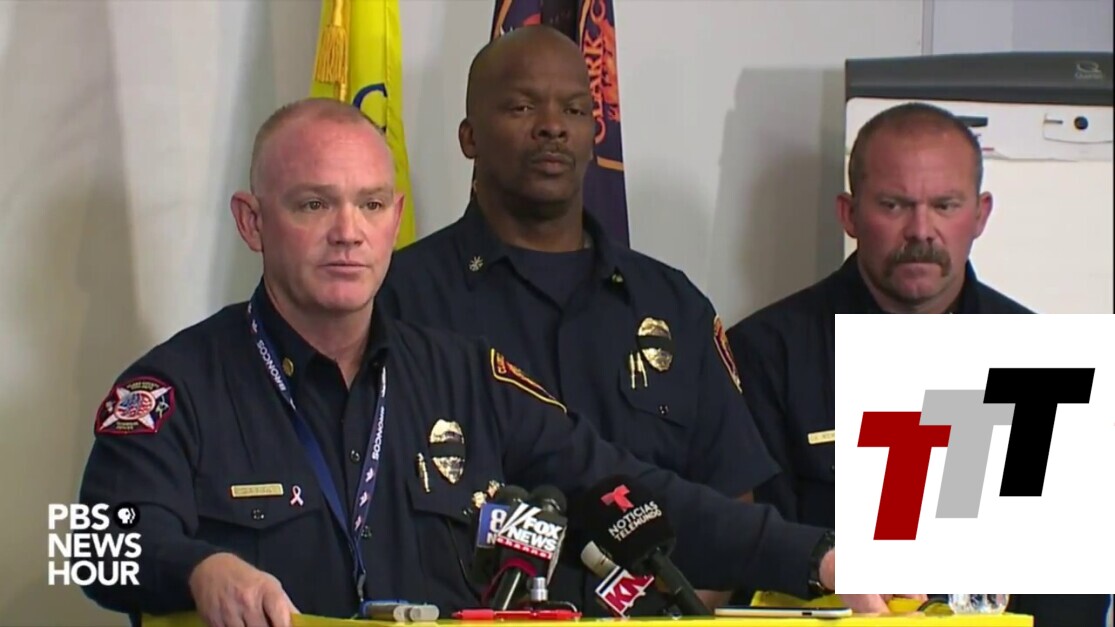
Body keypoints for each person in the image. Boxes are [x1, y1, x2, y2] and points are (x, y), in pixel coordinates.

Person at [77, 97, 854, 627]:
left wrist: (815, 555)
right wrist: (199, 566)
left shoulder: (467, 377)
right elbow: (84, 547)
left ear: (395, 220)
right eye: (313, 204)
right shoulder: (174, 386)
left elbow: (628, 493)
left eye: (370, 204)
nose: (347, 230)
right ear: (253, 222)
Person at [376, 24, 776, 615]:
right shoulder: (396, 300)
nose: (552, 126)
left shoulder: (673, 304)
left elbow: (729, 505)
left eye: (574, 109)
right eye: (521, 107)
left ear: (595, 132)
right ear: (469, 137)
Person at [726, 101, 1110, 626]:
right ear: (849, 214)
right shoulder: (765, 355)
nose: (921, 230)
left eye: (945, 205)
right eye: (894, 205)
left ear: (981, 215)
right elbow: (756, 558)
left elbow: (1072, 589)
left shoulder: (1043, 357)